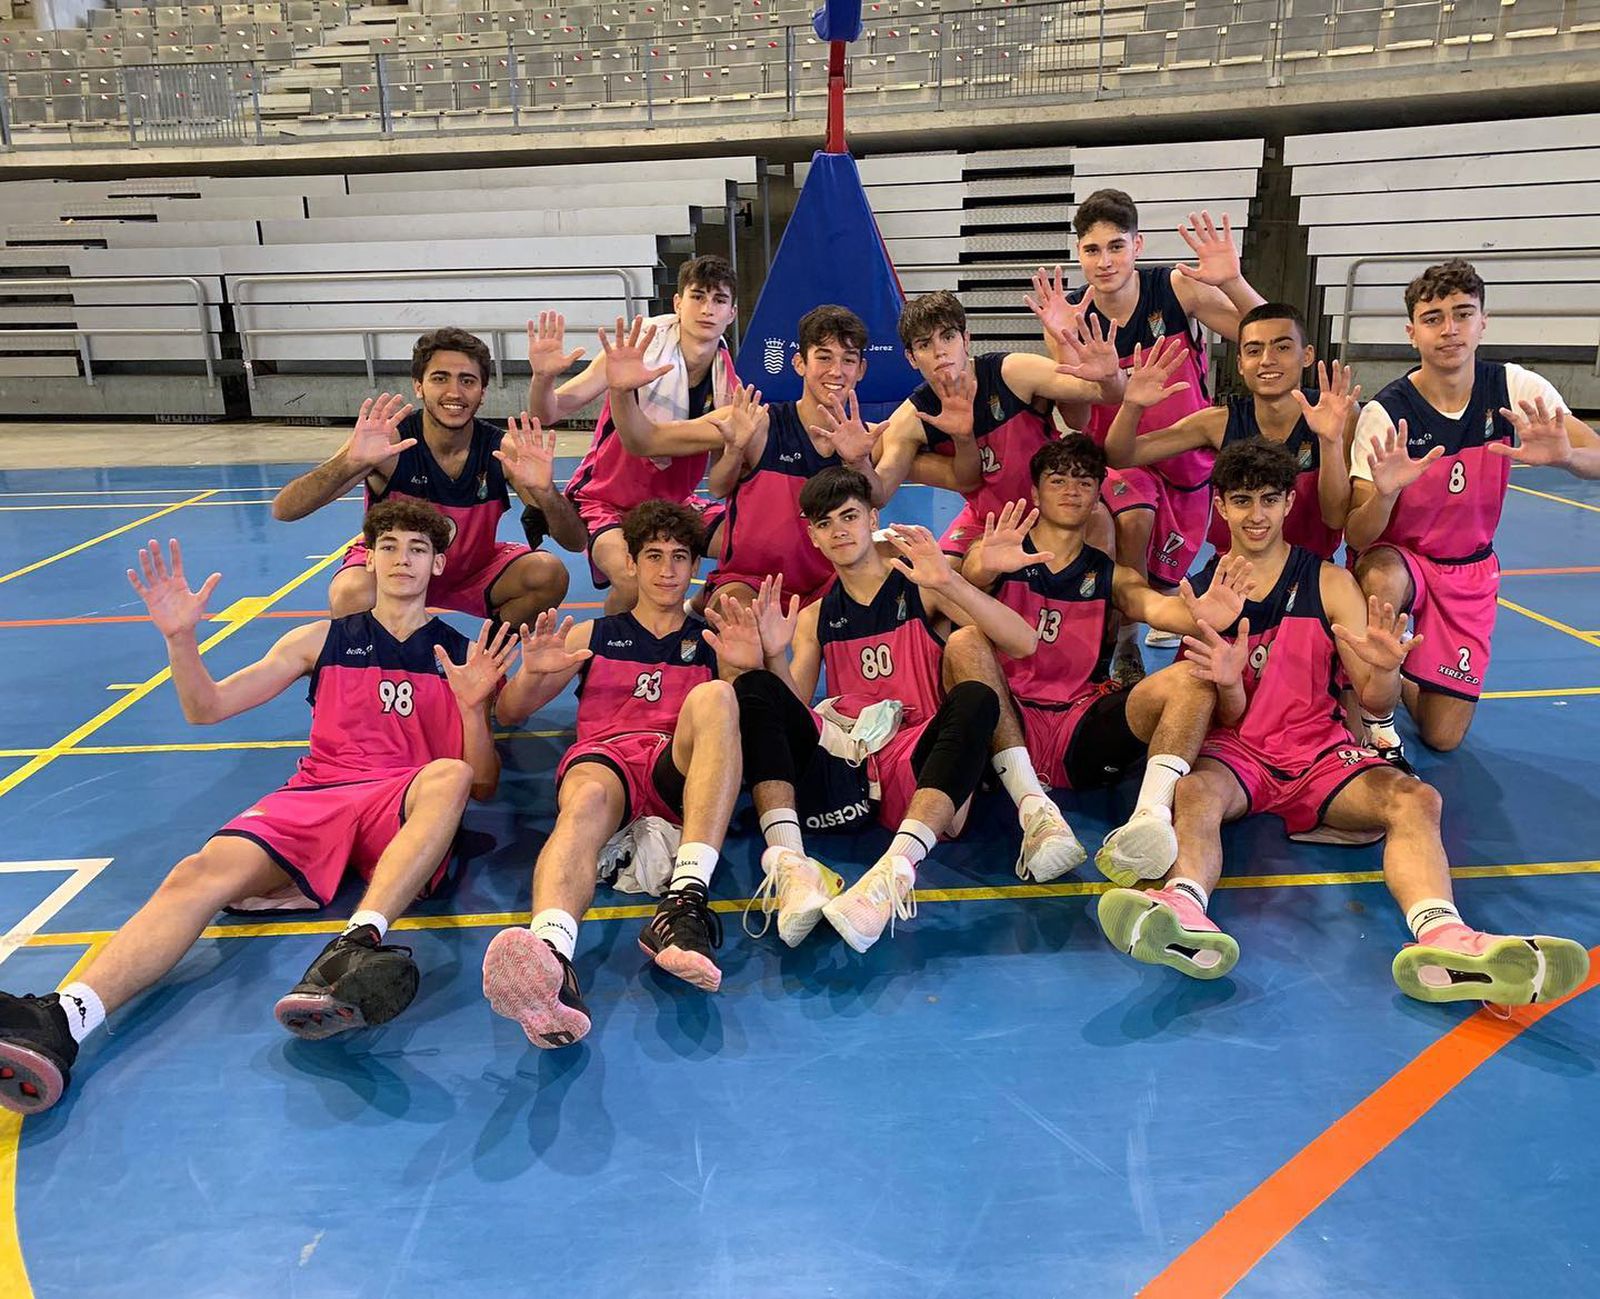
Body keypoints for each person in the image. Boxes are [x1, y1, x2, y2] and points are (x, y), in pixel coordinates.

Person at [0, 501, 514, 1116]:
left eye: (417, 549)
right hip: (318, 794)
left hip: (402, 800)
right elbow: (207, 708)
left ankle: (357, 941)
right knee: (197, 874)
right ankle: (65, 1018)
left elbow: (481, 784)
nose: (403, 559)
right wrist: (181, 639)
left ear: (438, 563)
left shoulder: (460, 651)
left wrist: (475, 707)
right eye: (390, 546)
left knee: (451, 773)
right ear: (368, 557)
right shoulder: (318, 641)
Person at [1095, 440, 1590, 1007]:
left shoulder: (1329, 584)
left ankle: (1446, 936)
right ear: (1221, 507)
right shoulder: (1205, 594)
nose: (1256, 515)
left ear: (1287, 505)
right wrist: (1229, 682)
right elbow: (1222, 714)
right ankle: (1183, 908)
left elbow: (1375, 702)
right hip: (1239, 753)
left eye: (1269, 499)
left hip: (1319, 751)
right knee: (1195, 792)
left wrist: (1382, 668)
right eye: (1241, 501)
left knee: (1416, 799)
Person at [722, 465, 1032, 953]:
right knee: (757, 686)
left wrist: (950, 583)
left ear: (873, 518)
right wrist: (772, 656)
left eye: (849, 516)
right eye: (825, 524)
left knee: (975, 698)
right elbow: (794, 714)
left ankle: (894, 872)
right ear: (813, 536)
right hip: (851, 767)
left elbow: (1022, 641)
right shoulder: (815, 616)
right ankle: (791, 866)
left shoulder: (921, 584)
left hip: (918, 764)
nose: (839, 530)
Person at [482, 501, 744, 1049]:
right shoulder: (593, 636)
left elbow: (766, 727)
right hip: (609, 762)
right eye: (654, 556)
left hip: (676, 766)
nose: (668, 570)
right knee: (587, 798)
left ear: (695, 565)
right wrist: (531, 676)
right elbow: (509, 712)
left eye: (680, 557)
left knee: (719, 694)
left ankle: (685, 903)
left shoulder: (714, 641)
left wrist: (752, 664)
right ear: (631, 563)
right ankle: (552, 959)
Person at [958, 437, 1253, 885]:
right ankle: (1035, 812)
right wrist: (985, 567)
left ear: (1099, 495)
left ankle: (1150, 818)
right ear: (1035, 493)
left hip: (1080, 726)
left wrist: (1199, 615)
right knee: (964, 641)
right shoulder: (1001, 553)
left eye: (1084, 481)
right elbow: (969, 576)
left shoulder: (1112, 576)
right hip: (1005, 720)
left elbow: (1157, 609)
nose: (1071, 490)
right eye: (1057, 480)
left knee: (1193, 677)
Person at [1345, 258, 1600, 764]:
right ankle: (1373, 715)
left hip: (1469, 568)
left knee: (1443, 737)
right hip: (1404, 560)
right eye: (1434, 317)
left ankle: (1400, 681)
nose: (1450, 329)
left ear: (1483, 322)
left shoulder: (1515, 389)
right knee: (1381, 576)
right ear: (1411, 331)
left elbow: (1594, 454)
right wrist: (1386, 494)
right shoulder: (1386, 412)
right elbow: (1356, 533)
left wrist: (1569, 457)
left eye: (1463, 314)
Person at [1028, 192, 1266, 680]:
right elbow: (1074, 419)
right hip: (1119, 456)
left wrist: (1235, 283)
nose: (1105, 261)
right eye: (1092, 250)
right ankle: (1122, 643)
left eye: (1116, 246)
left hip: (1186, 458)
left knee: (1168, 580)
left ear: (1138, 245)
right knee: (1129, 523)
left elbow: (1272, 337)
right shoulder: (1067, 317)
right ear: (1079, 254)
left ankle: (1172, 619)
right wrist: (1068, 353)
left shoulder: (1178, 289)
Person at [273, 327, 582, 626]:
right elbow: (284, 510)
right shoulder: (390, 443)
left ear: (483, 392)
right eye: (439, 378)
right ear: (418, 386)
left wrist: (546, 492)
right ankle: (374, 671)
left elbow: (575, 542)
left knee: (547, 573)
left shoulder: (503, 451)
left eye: (467, 380)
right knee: (351, 591)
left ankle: (487, 659)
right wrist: (350, 462)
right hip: (394, 565)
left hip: (470, 570)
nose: (454, 392)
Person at [601, 305, 885, 609]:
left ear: (861, 369)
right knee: (738, 618)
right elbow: (645, 440)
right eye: (824, 357)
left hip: (828, 584)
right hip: (749, 582)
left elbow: (877, 497)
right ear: (800, 363)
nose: (836, 371)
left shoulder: (865, 437)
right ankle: (699, 611)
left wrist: (859, 462)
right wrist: (620, 391)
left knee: (894, 579)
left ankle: (697, 610)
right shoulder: (757, 423)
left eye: (848, 360)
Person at [529, 256, 741, 613]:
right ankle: (606, 659)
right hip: (606, 501)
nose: (707, 309)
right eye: (697, 296)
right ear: (677, 303)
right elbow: (548, 412)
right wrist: (543, 378)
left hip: (676, 503)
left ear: (731, 313)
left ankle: (695, 608)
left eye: (719, 300)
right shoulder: (635, 352)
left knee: (754, 548)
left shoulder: (727, 384)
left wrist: (735, 450)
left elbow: (720, 483)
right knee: (632, 580)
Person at [868, 290, 1124, 559]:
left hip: (1054, 509)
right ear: (911, 357)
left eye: (948, 337)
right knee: (939, 587)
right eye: (924, 345)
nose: (939, 351)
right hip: (987, 521)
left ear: (965, 340)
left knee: (1101, 530)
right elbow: (880, 493)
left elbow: (1101, 394)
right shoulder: (912, 418)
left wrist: (1108, 376)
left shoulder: (1013, 372)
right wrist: (856, 461)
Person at [1103, 303, 1358, 561]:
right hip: (1234, 570)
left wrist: (1330, 441)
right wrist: (1131, 405)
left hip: (1309, 572)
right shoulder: (1217, 423)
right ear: (1240, 363)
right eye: (1254, 350)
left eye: (1282, 347)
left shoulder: (1338, 415)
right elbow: (1121, 456)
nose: (1267, 360)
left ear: (1307, 355)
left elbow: (1335, 518)